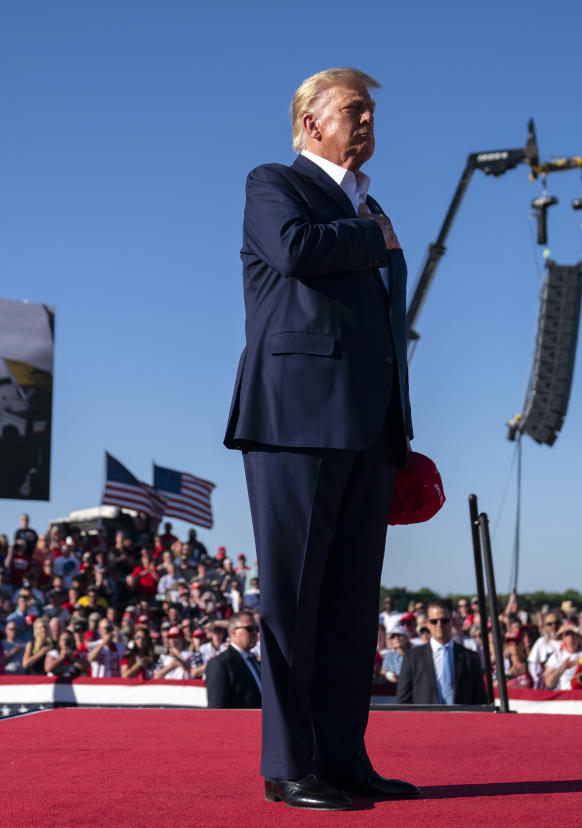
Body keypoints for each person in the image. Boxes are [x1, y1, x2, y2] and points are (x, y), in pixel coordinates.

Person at [223, 67, 416, 810]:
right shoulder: (274, 183)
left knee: (348, 609)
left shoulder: (372, 207)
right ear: (311, 123)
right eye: (354, 110)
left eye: (372, 111)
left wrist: (401, 427)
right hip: (295, 422)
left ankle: (343, 760)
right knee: (294, 603)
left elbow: (388, 335)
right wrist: (373, 235)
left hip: (369, 427)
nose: (368, 121)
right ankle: (288, 767)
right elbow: (296, 251)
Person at [396, 602, 487, 705]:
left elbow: (480, 699)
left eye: (444, 620)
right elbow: (403, 701)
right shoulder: (412, 657)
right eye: (434, 621)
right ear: (428, 623)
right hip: (424, 719)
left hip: (461, 719)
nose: (439, 625)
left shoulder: (469, 657)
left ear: (452, 622)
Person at [205, 612, 263, 709]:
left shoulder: (253, 660)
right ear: (233, 632)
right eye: (250, 629)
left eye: (256, 629)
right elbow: (217, 708)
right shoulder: (220, 664)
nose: (255, 633)